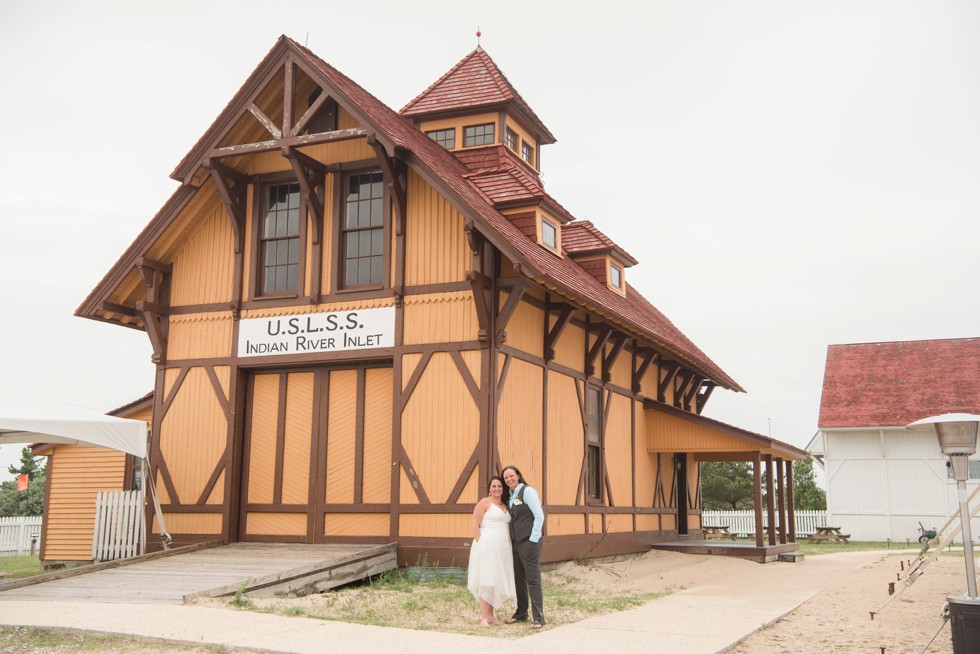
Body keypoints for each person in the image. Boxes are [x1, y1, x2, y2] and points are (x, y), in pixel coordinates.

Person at [467, 475, 517, 627]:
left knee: (495, 579)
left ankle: (491, 616)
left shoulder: (505, 504)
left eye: (500, 486)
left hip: (502, 547)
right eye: (494, 486)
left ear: (503, 488)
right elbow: (475, 521)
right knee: (487, 579)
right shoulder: (484, 502)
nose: (497, 489)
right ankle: (483, 618)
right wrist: (479, 542)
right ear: (489, 488)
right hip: (487, 544)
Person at [502, 465, 546, 629]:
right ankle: (521, 612)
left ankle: (538, 617)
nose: (509, 479)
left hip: (529, 542)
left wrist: (533, 539)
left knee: (533, 579)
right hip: (516, 542)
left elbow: (539, 516)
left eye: (511, 476)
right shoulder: (511, 495)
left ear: (518, 476)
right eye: (506, 477)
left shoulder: (528, 492)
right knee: (518, 578)